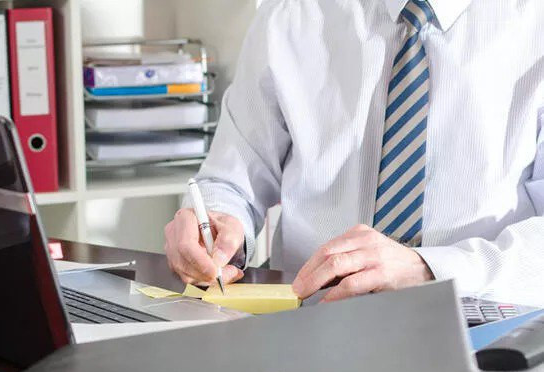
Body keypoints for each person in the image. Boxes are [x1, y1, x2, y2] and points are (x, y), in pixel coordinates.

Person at [164, 0, 544, 303]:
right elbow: (229, 182)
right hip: (311, 317)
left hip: (484, 322)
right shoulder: (289, 17)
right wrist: (215, 223)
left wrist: (430, 268)